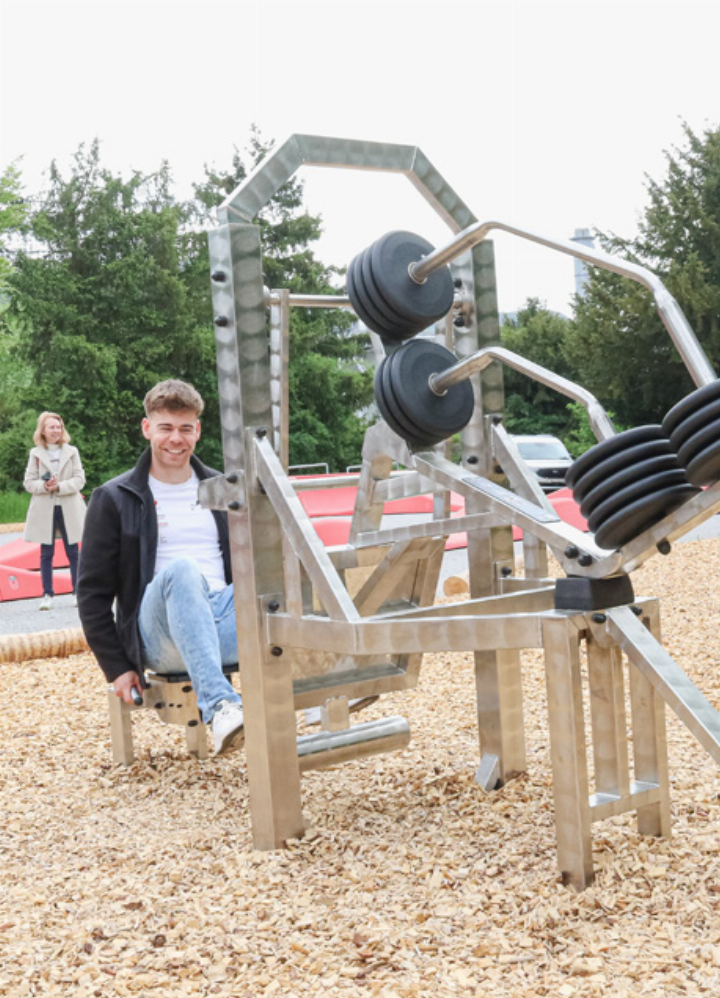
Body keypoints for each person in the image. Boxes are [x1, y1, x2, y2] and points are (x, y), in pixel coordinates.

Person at [77, 379, 244, 756]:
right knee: (183, 571)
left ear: (197, 431)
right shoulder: (114, 498)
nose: (176, 438)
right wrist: (117, 667)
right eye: (166, 427)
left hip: (227, 620)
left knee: (288, 562)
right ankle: (219, 707)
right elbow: (92, 594)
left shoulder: (224, 490)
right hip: (161, 633)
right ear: (147, 427)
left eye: (185, 428)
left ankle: (335, 680)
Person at [23, 411, 86, 610]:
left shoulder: (72, 451)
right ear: (43, 430)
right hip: (45, 509)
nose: (56, 430)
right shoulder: (35, 454)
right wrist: (45, 486)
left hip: (68, 506)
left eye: (59, 427)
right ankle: (47, 594)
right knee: (46, 553)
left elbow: (79, 480)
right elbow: (28, 483)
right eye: (52, 427)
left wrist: (60, 486)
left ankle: (77, 592)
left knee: (73, 552)